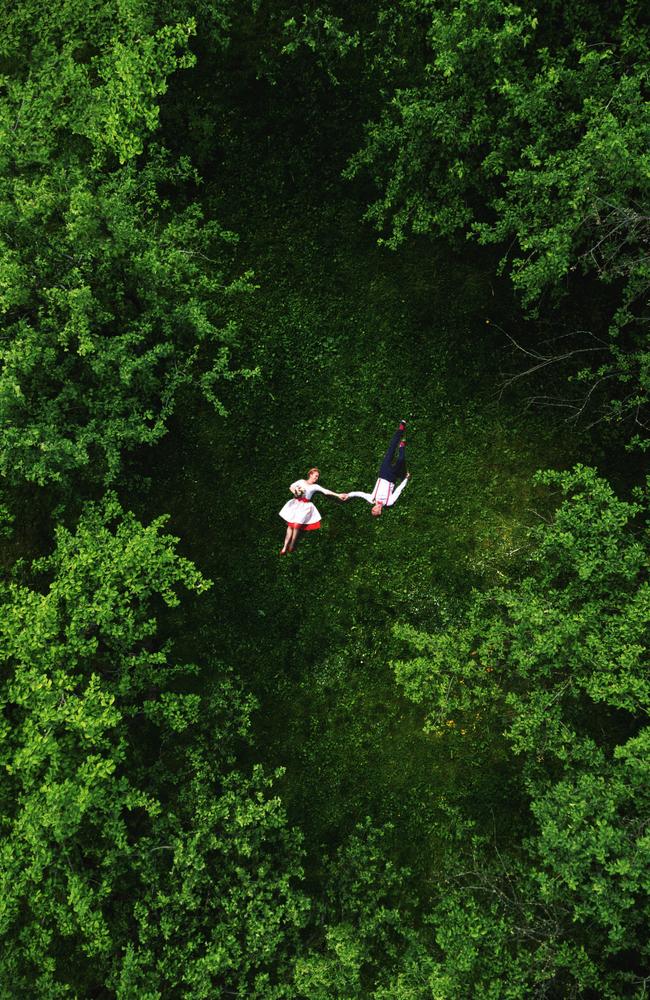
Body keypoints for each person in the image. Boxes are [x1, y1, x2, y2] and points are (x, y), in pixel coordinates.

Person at [345, 420, 411, 516]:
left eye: (373, 510)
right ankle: (402, 447)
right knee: (401, 460)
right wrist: (406, 479)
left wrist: (348, 495)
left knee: (391, 449)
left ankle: (401, 429)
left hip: (383, 473)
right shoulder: (389, 502)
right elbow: (398, 490)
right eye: (376, 511)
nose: (374, 509)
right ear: (380, 511)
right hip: (392, 478)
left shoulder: (372, 498)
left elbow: (359, 494)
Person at [278, 467, 347, 554]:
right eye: (315, 476)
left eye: (317, 477)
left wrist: (338, 495)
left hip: (305, 507)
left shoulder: (315, 486)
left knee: (296, 526)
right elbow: (291, 487)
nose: (316, 478)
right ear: (310, 474)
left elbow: (325, 491)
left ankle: (292, 544)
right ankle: (284, 547)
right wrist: (296, 492)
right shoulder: (301, 481)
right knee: (290, 525)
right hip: (295, 504)